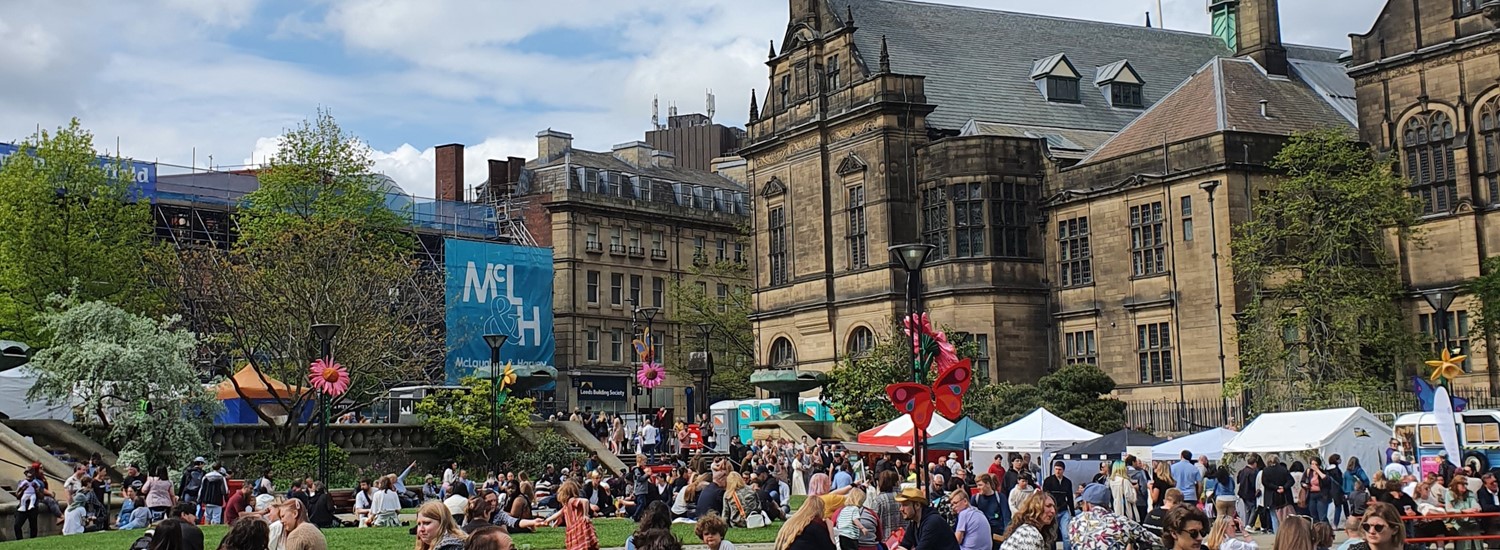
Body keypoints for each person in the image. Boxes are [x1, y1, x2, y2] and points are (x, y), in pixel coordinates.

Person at [1066, 483, 1159, 550]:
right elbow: (1156, 542)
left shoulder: (1074, 523)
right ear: (1107, 503)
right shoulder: (1122, 522)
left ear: (1086, 504)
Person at [893, 486, 960, 550]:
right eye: (901, 505)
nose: (901, 509)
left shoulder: (932, 522)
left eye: (905, 505)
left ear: (917, 505)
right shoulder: (914, 522)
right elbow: (904, 545)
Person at [544, 480, 599, 550]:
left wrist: (585, 514)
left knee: (581, 547)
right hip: (575, 529)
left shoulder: (571, 501)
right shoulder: (567, 505)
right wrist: (549, 520)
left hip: (579, 528)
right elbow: (559, 513)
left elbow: (585, 501)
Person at [1041, 461, 1075, 550]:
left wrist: (1072, 513)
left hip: (1063, 510)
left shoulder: (1067, 482)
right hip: (1052, 511)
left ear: (1063, 470)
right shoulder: (1048, 481)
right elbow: (1044, 496)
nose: (1057, 471)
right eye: (1056, 469)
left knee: (1066, 534)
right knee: (1052, 535)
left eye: (1059, 469)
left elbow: (1070, 497)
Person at [971, 473, 1011, 549]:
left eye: (980, 485)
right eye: (977, 485)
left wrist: (1006, 534)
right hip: (982, 534)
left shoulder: (1000, 497)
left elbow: (1006, 517)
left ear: (988, 484)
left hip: (997, 534)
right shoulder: (975, 499)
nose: (978, 488)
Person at [1447, 474, 1482, 550]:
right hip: (1457, 520)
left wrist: (1476, 508)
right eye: (1462, 484)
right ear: (1456, 484)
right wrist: (1462, 511)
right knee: (1465, 531)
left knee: (1475, 529)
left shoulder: (1469, 493)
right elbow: (1449, 510)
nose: (1465, 486)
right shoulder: (1449, 493)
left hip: (1471, 520)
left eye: (1466, 484)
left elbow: (1474, 503)